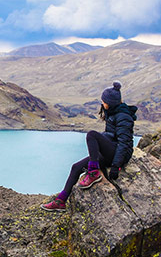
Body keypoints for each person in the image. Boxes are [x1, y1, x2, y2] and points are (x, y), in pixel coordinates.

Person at [41, 81, 138, 212]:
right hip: (112, 151)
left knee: (92, 135)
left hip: (118, 155)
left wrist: (116, 166)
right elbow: (112, 136)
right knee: (76, 167)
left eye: (103, 101)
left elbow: (124, 143)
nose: (102, 103)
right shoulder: (114, 113)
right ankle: (61, 201)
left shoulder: (123, 117)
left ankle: (93, 172)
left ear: (109, 103)